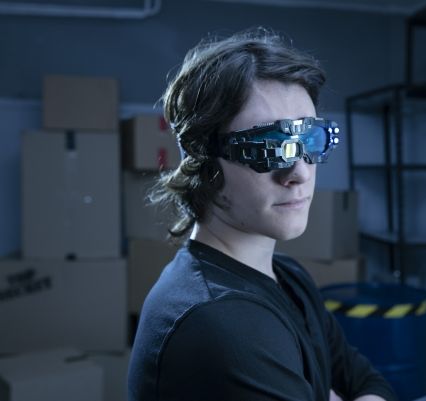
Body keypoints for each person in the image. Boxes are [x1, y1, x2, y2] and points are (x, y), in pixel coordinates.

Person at [128, 27, 397, 401]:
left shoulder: (288, 276)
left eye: (309, 140)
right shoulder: (220, 320)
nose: (299, 173)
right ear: (204, 161)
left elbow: (370, 383)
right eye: (269, 146)